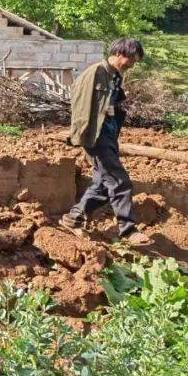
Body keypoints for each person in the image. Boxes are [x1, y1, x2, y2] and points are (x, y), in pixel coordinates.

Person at [60, 38, 152, 246]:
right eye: (131, 60)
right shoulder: (95, 73)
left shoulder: (114, 76)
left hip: (109, 135)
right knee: (120, 181)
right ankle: (128, 230)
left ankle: (73, 218)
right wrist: (83, 137)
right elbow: (80, 106)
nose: (132, 65)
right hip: (96, 136)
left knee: (102, 183)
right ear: (120, 54)